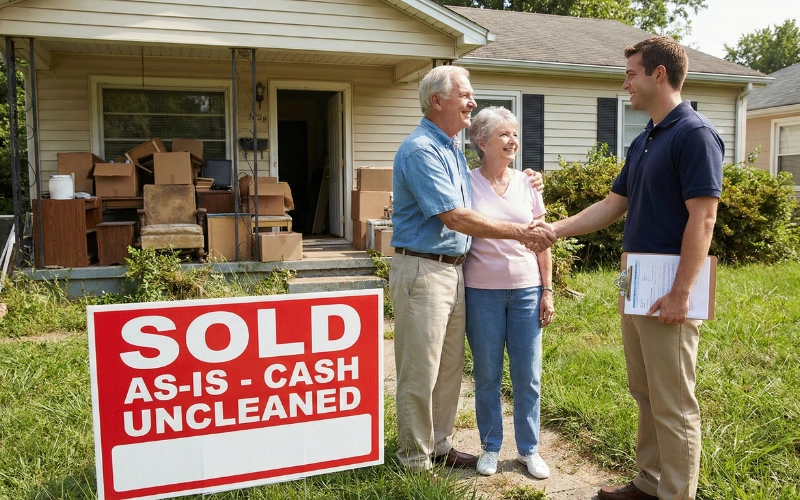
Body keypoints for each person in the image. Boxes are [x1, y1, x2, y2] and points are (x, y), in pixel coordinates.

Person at [548, 37, 723, 500]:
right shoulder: (645, 138)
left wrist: (682, 292)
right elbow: (612, 205)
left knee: (674, 401)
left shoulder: (694, 134)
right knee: (644, 390)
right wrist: (554, 231)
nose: (624, 83)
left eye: (631, 73)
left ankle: (676, 494)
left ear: (658, 74)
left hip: (670, 284)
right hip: (635, 280)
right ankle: (649, 482)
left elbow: (703, 217)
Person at [390, 65, 556, 471]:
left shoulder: (449, 148)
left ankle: (441, 446)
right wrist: (521, 232)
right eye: (464, 94)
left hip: (453, 272)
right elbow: (455, 217)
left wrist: (530, 178)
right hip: (423, 271)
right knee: (419, 371)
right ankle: (414, 460)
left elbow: (495, 182)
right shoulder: (421, 150)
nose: (472, 102)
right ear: (437, 101)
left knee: (447, 369)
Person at [463, 106, 554, 479]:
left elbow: (543, 240)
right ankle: (490, 446)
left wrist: (547, 289)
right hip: (480, 292)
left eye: (515, 134)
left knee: (528, 375)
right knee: (486, 374)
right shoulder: (465, 182)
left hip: (526, 291)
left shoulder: (527, 183)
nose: (513, 140)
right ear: (481, 142)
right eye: (504, 134)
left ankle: (529, 450)